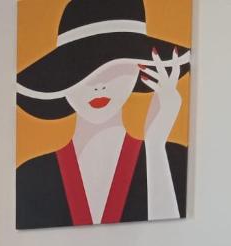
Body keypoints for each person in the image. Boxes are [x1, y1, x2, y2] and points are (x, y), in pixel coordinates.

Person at [16, 0, 191, 229]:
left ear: (138, 67)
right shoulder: (32, 175)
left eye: (114, 65)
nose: (99, 84)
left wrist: (156, 146)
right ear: (62, 80)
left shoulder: (172, 159)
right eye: (82, 70)